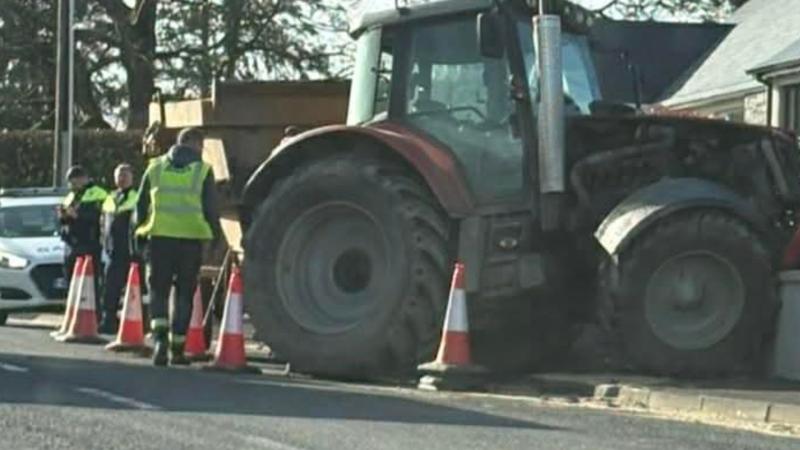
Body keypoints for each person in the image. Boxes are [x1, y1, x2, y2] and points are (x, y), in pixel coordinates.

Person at [135, 128, 221, 366]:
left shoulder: (155, 167)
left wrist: (139, 236)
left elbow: (141, 207)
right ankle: (177, 349)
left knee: (158, 292)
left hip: (159, 238)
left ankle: (160, 341)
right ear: (196, 144)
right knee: (184, 294)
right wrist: (215, 239)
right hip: (190, 241)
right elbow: (211, 208)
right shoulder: (202, 171)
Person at [58, 165, 108, 310]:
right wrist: (63, 217)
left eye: (74, 181)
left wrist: (77, 216)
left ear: (84, 179)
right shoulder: (71, 195)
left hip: (89, 244)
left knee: (91, 284)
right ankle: (72, 315)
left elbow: (98, 217)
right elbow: (66, 220)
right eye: (70, 182)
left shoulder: (98, 193)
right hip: (71, 244)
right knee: (71, 283)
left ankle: (94, 316)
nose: (72, 185)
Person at [99, 164, 139, 334]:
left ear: (132, 177)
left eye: (125, 175)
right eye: (119, 175)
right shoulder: (110, 197)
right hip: (112, 250)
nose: (122, 178)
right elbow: (104, 222)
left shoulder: (137, 196)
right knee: (110, 288)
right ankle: (109, 320)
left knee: (135, 289)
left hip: (130, 251)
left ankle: (136, 322)